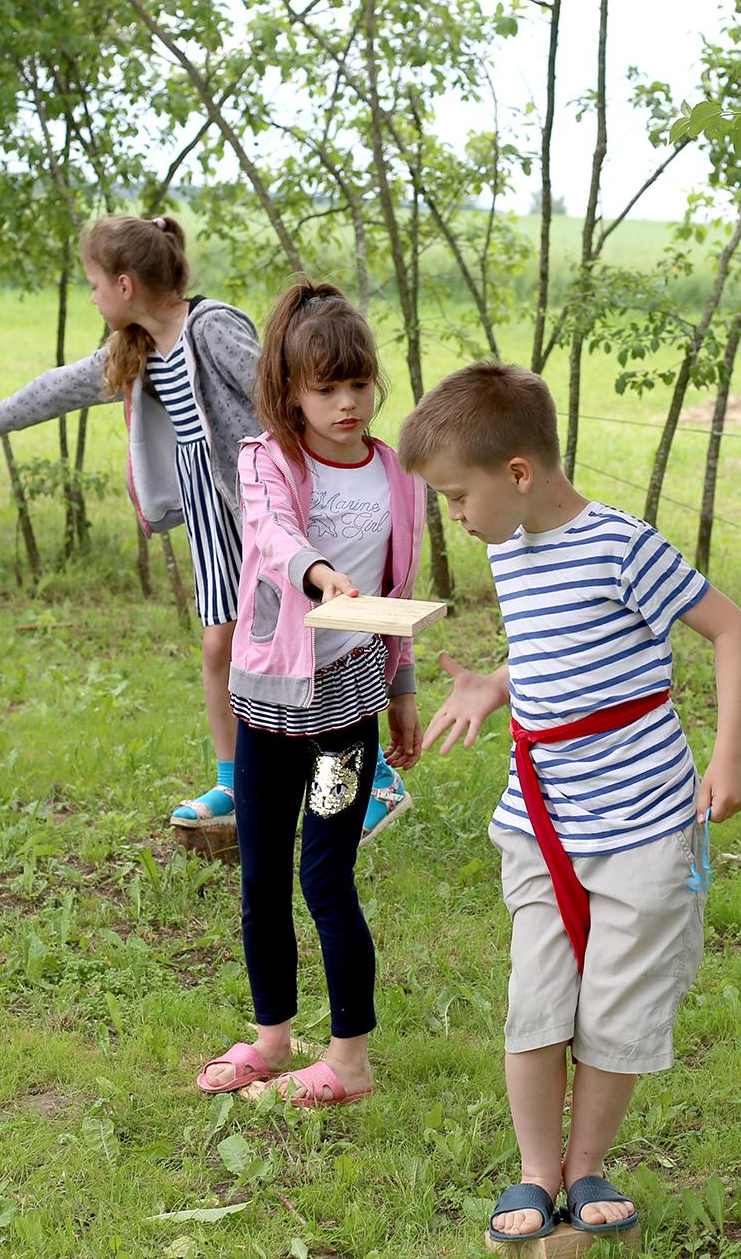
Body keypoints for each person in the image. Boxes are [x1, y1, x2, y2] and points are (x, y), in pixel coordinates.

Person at [400, 362, 741, 1246]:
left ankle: (586, 1163)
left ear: (518, 473)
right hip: (542, 821)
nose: (455, 517)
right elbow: (558, 649)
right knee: (538, 999)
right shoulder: (508, 546)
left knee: (616, 1008)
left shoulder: (623, 546)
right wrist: (495, 685)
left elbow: (732, 630)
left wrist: (728, 756)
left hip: (644, 824)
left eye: (455, 496)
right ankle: (533, 1170)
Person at [0, 215, 259, 830]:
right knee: (219, 644)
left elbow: (281, 389)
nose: (90, 297)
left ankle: (368, 771)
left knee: (308, 641)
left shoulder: (212, 327)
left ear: (123, 284)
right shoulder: (134, 346)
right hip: (207, 518)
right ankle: (233, 781)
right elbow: (60, 387)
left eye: (92, 285)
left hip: (264, 510)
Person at [195, 279, 424, 1107]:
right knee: (261, 877)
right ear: (290, 391)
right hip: (266, 709)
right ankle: (271, 1037)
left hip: (343, 717)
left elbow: (400, 586)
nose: (348, 403)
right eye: (326, 388)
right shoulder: (268, 460)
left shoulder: (395, 475)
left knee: (324, 877)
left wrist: (401, 690)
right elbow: (273, 534)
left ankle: (349, 1062)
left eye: (358, 384)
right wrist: (319, 573)